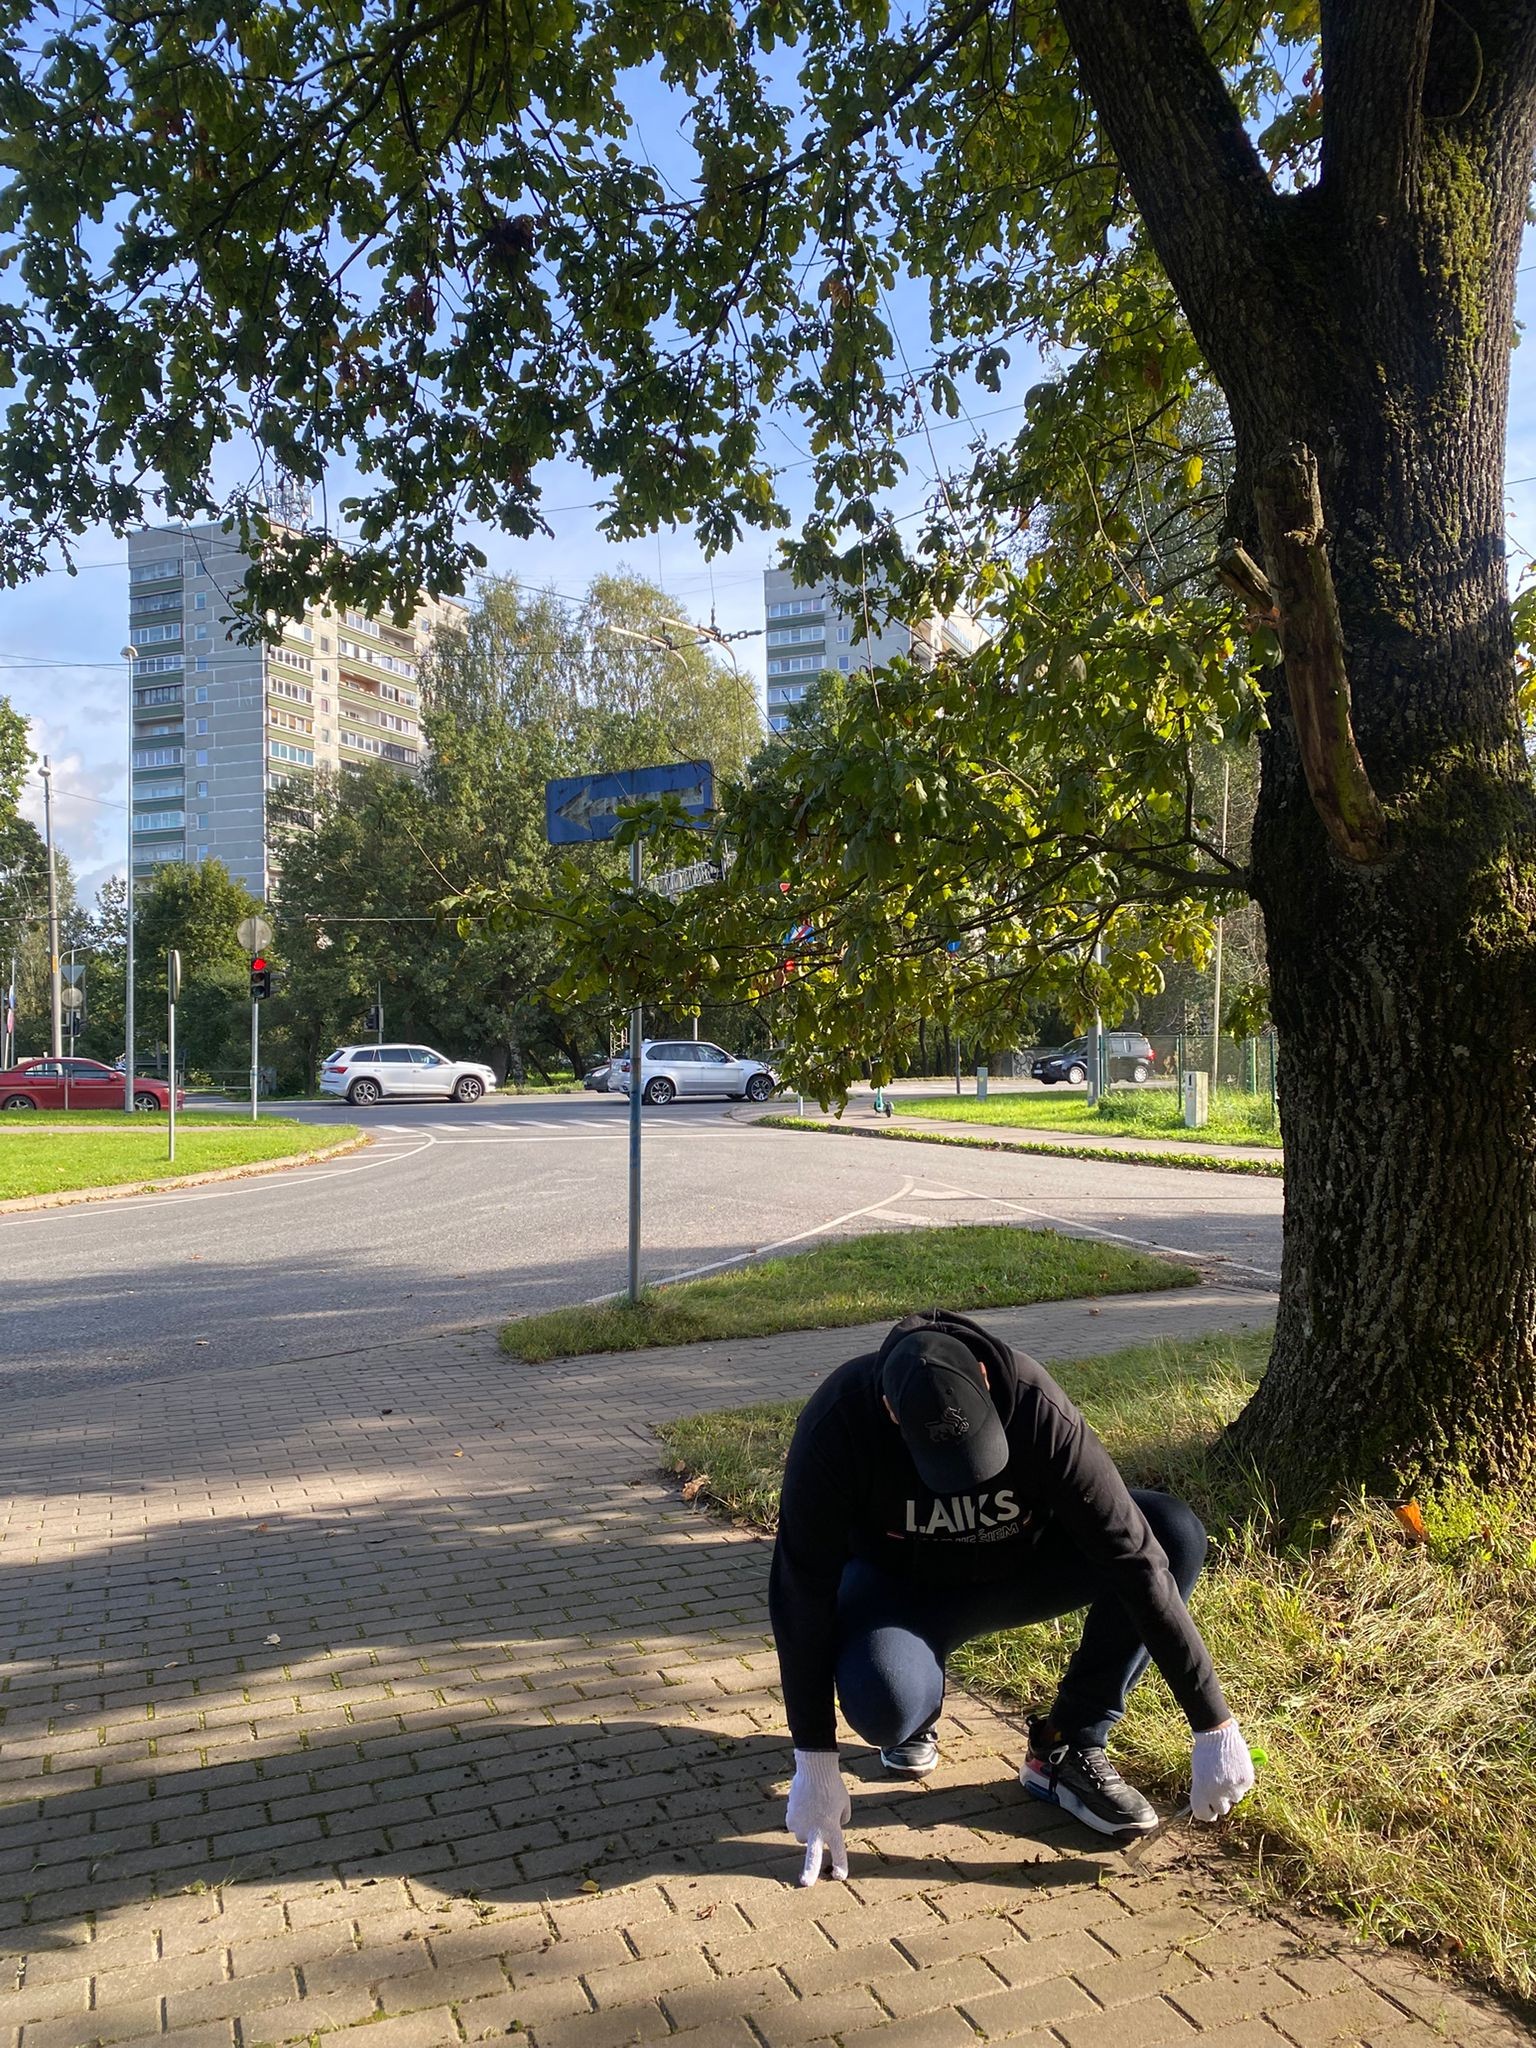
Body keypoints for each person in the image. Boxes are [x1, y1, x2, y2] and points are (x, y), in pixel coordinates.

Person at [770, 1308, 1255, 1885]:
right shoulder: (838, 1422)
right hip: (902, 1592)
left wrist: (1213, 1723)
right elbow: (800, 1593)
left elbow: (1133, 1556)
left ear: (983, 1375)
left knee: (1172, 1535)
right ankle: (916, 1709)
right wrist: (815, 1761)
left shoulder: (1033, 1401)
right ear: (891, 1411)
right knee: (885, 1705)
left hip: (1022, 1569)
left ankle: (1067, 1744)